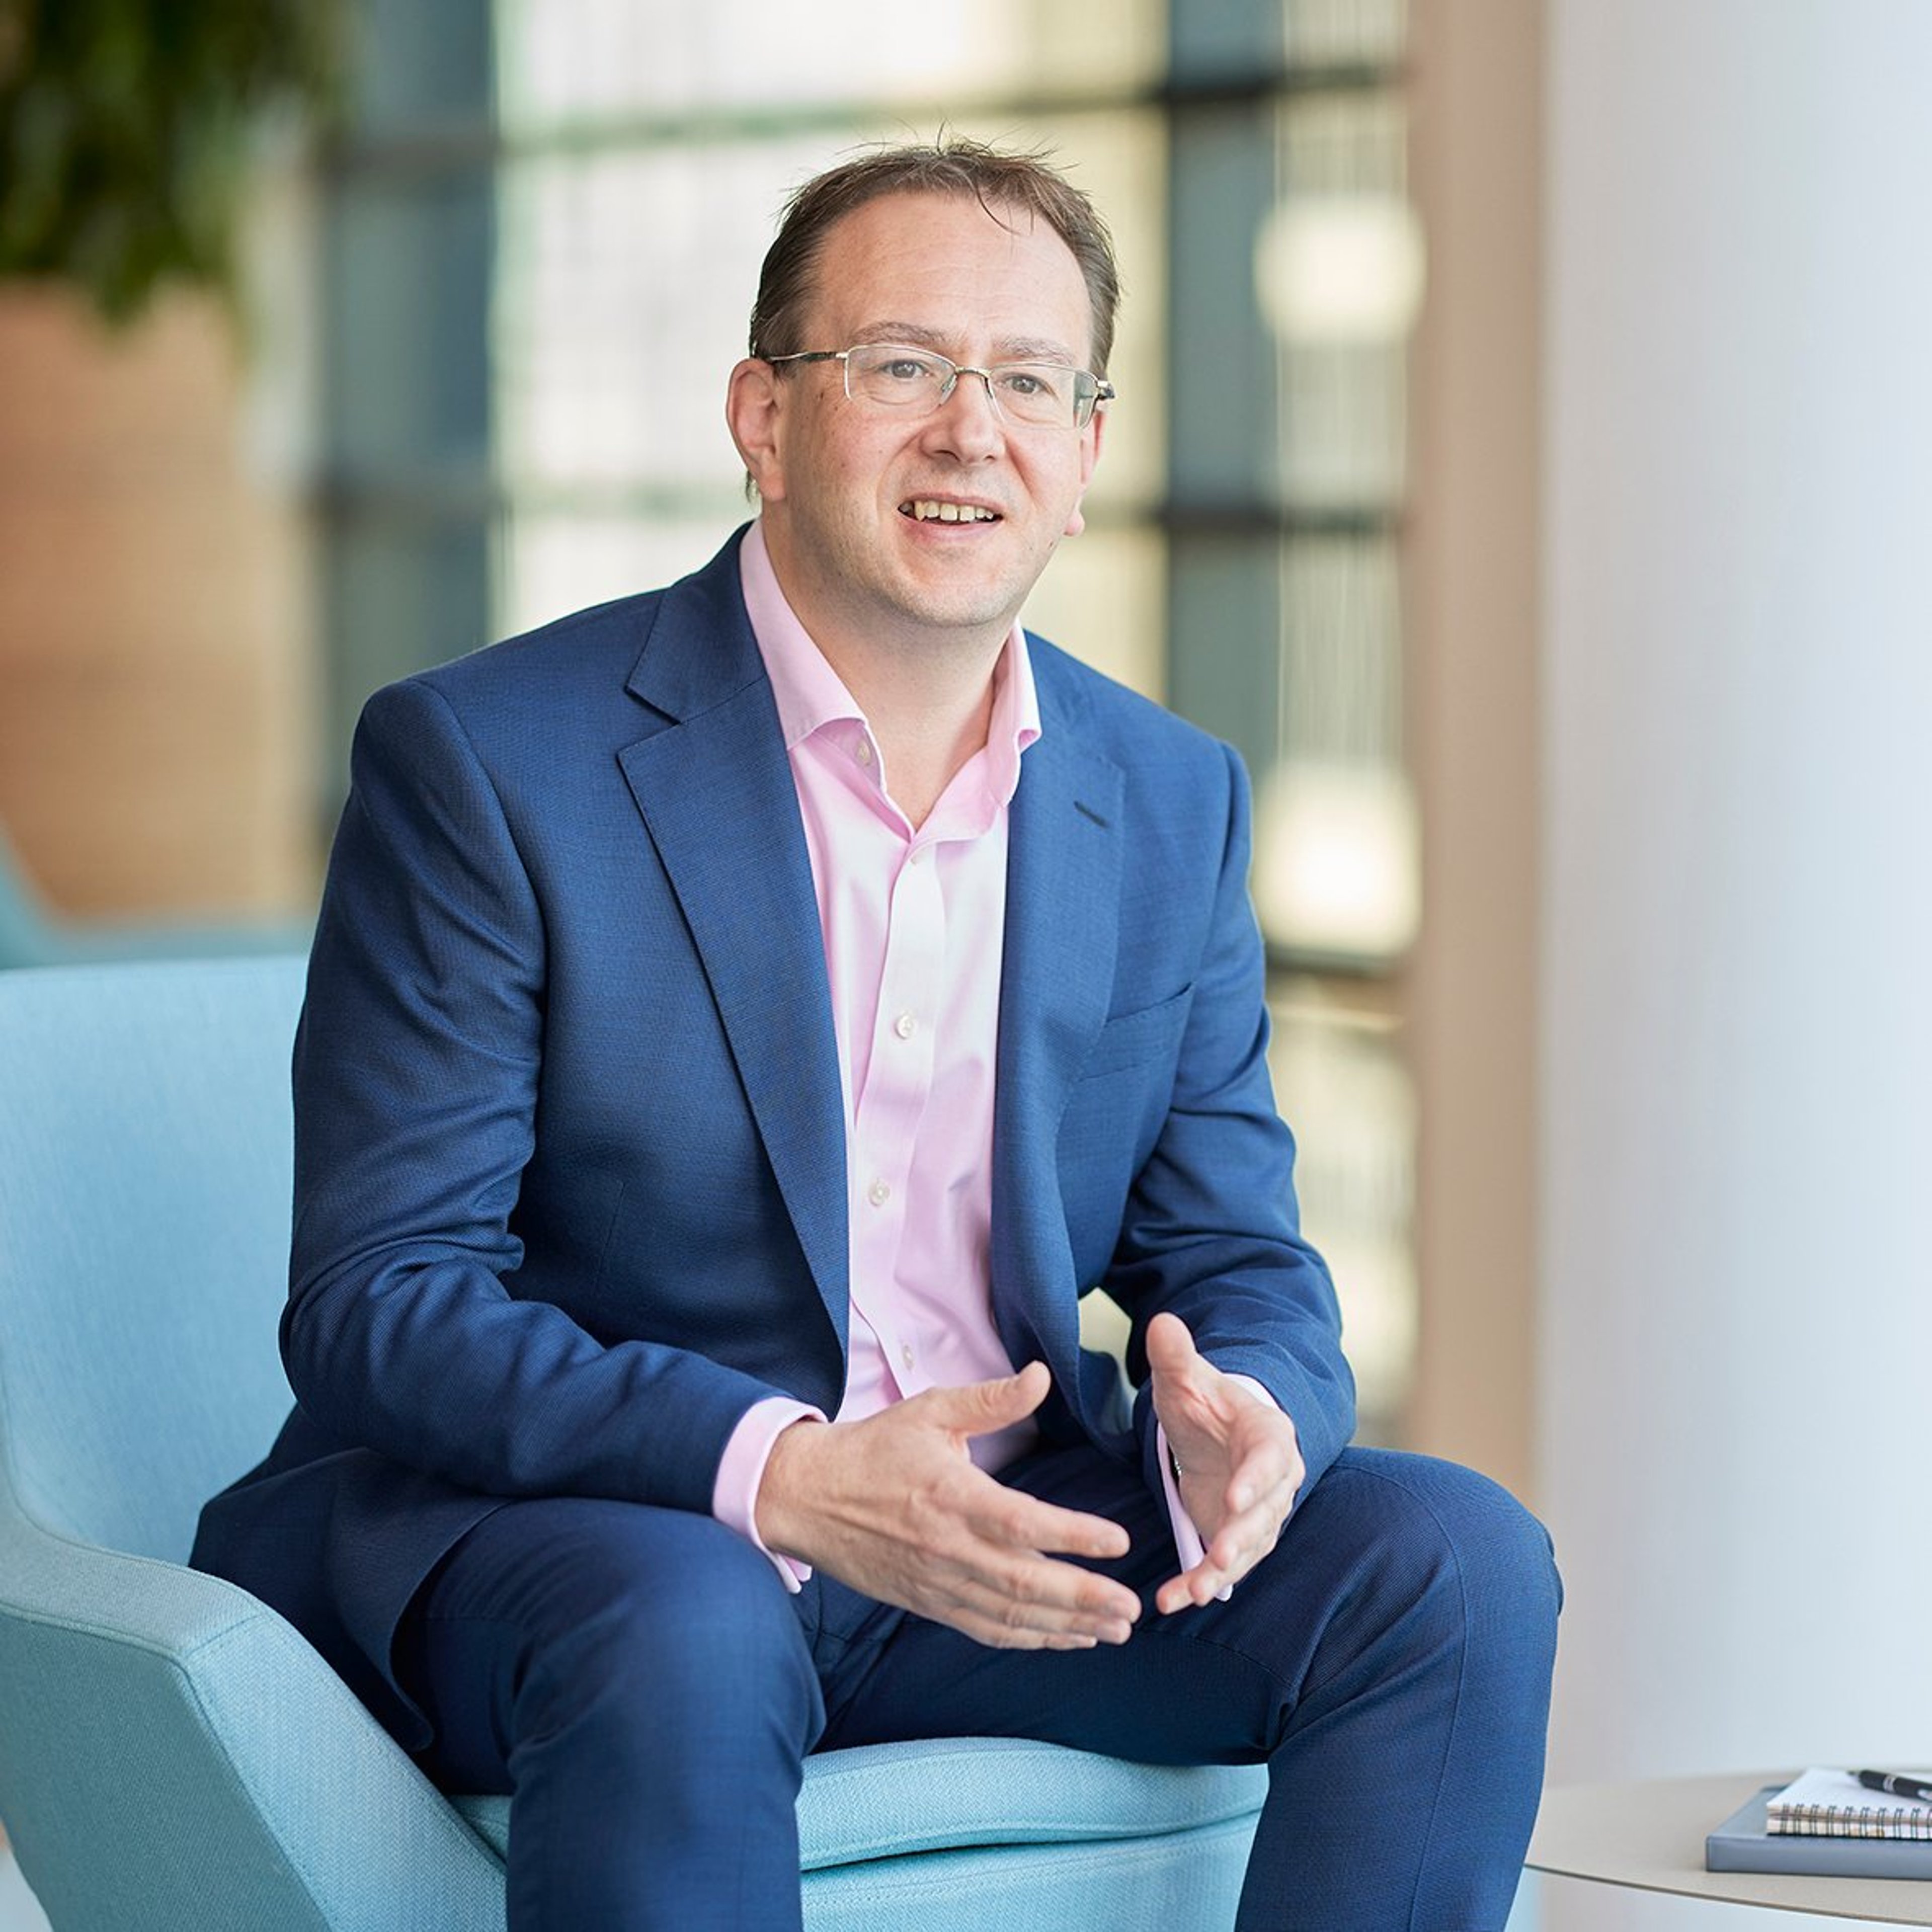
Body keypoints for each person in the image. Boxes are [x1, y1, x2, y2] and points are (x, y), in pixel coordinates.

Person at [193, 137, 1559, 1930]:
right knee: (691, 1621)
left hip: (994, 1548)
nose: (971, 432)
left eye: (1032, 382)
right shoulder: (489, 764)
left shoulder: (1170, 799)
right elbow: (382, 1297)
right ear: (764, 417)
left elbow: (1235, 1257)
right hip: (604, 1539)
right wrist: (784, 1473)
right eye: (905, 365)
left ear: (1086, 455)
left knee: (1456, 1563)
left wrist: (1251, 1420)